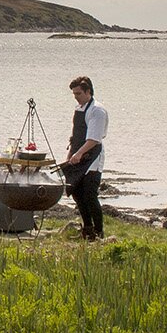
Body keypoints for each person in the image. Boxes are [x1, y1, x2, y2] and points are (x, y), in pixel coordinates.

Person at [59, 76, 108, 241]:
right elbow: (75, 136)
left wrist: (79, 154)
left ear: (88, 92)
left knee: (89, 194)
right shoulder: (79, 108)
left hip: (92, 158)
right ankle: (87, 228)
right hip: (77, 155)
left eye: (78, 93)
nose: (76, 97)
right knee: (77, 192)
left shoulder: (97, 111)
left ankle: (99, 231)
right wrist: (70, 156)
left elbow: (94, 139)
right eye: (74, 94)